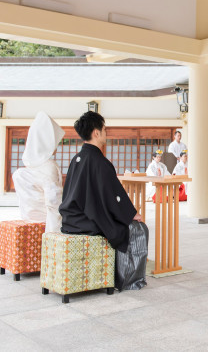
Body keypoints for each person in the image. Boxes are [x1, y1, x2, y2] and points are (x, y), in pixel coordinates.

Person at [59, 111, 148, 290]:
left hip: (71, 219)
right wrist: (130, 214)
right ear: (96, 133)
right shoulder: (99, 162)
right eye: (104, 129)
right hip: (86, 222)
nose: (106, 133)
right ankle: (127, 280)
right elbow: (112, 198)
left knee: (122, 224)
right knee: (136, 229)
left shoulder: (77, 159)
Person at [12, 111, 65, 233]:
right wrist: (53, 234)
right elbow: (53, 204)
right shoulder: (49, 166)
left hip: (28, 223)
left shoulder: (29, 165)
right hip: (46, 224)